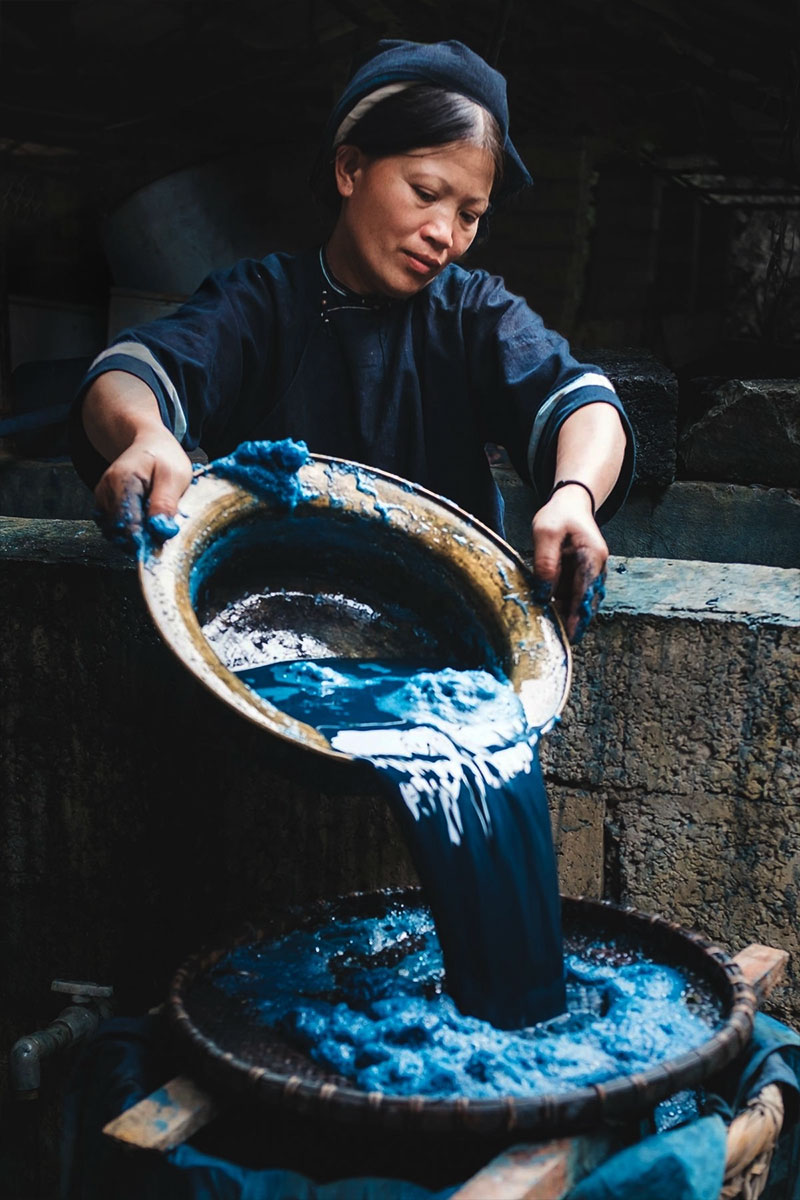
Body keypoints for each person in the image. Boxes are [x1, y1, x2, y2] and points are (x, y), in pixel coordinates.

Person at [69, 38, 635, 642]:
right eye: (425, 193)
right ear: (350, 169)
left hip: (443, 649)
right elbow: (133, 368)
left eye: (470, 215)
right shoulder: (260, 304)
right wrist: (147, 434)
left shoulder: (474, 315)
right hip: (264, 638)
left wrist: (574, 494)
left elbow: (582, 399)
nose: (444, 233)